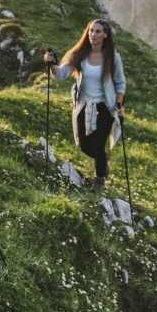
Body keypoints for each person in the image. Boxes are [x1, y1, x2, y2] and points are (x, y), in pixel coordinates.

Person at [43, 18, 126, 190]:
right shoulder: (80, 53)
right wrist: (52, 65)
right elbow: (62, 74)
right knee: (85, 146)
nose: (93, 35)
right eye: (90, 31)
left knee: (98, 143)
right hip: (83, 102)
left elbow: (120, 82)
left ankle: (99, 182)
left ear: (105, 35)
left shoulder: (113, 57)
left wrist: (119, 104)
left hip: (105, 105)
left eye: (97, 31)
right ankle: (103, 158)